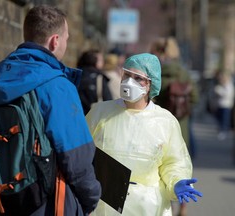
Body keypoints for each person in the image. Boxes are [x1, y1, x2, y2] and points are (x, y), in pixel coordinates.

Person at [0, 4, 101, 216]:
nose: (66, 43)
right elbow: (77, 160)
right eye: (66, 38)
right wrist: (90, 198)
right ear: (55, 41)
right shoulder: (57, 86)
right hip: (42, 203)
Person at [86, 53, 202, 216]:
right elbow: (81, 153)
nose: (129, 82)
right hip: (104, 206)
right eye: (126, 75)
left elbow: (174, 162)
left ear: (150, 84)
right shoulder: (100, 113)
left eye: (137, 78)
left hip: (147, 207)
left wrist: (176, 181)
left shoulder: (164, 121)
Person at [150, 37, 199, 216]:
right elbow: (195, 97)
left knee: (161, 164)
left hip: (159, 123)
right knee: (182, 163)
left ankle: (166, 204)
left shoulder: (157, 72)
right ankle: (184, 205)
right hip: (182, 123)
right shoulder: (183, 72)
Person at [77, 49, 113, 115]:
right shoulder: (100, 78)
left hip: (75, 116)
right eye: (101, 60)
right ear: (94, 61)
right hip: (93, 119)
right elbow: (109, 101)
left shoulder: (74, 75)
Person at [213, 71, 235, 140]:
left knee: (224, 119)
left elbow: (228, 95)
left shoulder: (229, 85)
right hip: (220, 105)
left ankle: (224, 131)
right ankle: (221, 130)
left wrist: (219, 91)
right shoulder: (222, 85)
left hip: (226, 105)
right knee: (220, 119)